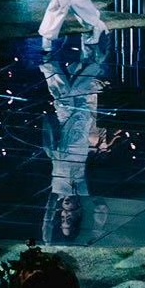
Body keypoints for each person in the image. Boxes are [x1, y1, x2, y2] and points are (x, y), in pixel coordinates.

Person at [41, 39, 110, 245]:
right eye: (69, 219)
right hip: (82, 121)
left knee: (63, 90)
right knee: (82, 82)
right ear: (78, 214)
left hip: (65, 120)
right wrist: (95, 234)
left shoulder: (57, 191)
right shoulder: (82, 190)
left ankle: (50, 55)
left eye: (62, 218)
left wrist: (46, 241)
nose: (65, 214)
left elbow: (47, 216)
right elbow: (101, 208)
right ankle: (94, 47)